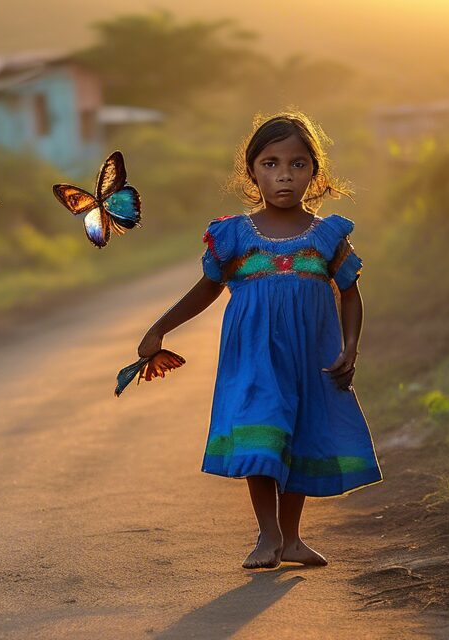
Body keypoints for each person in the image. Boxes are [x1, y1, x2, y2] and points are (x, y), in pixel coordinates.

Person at [135, 111, 383, 569]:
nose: (284, 175)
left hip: (309, 357)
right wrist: (159, 328)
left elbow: (350, 292)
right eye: (271, 164)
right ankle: (268, 535)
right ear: (252, 172)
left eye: (297, 164)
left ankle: (291, 538)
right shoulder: (233, 235)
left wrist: (350, 347)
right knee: (262, 432)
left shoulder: (328, 237)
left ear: (314, 172)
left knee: (299, 435)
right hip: (253, 358)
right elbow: (207, 288)